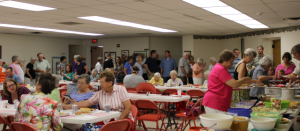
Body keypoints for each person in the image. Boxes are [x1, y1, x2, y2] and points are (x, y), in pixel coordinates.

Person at [62, 70, 134, 130]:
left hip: (123, 119)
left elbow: (128, 108)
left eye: (102, 82)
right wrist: (66, 106)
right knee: (84, 127)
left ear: (110, 83)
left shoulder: (120, 89)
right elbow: (84, 103)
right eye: (100, 82)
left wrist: (118, 122)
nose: (100, 84)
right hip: (107, 120)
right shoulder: (99, 93)